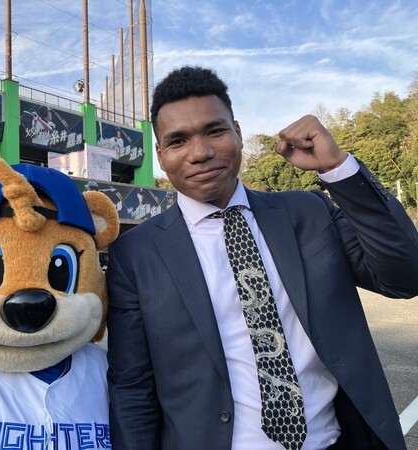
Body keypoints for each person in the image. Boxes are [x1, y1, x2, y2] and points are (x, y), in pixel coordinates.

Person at [105, 65, 418, 450]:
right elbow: (132, 387)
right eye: (178, 141)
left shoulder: (310, 213)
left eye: (214, 131)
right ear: (160, 154)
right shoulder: (135, 254)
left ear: (237, 132)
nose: (200, 153)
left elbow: (406, 277)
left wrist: (337, 168)